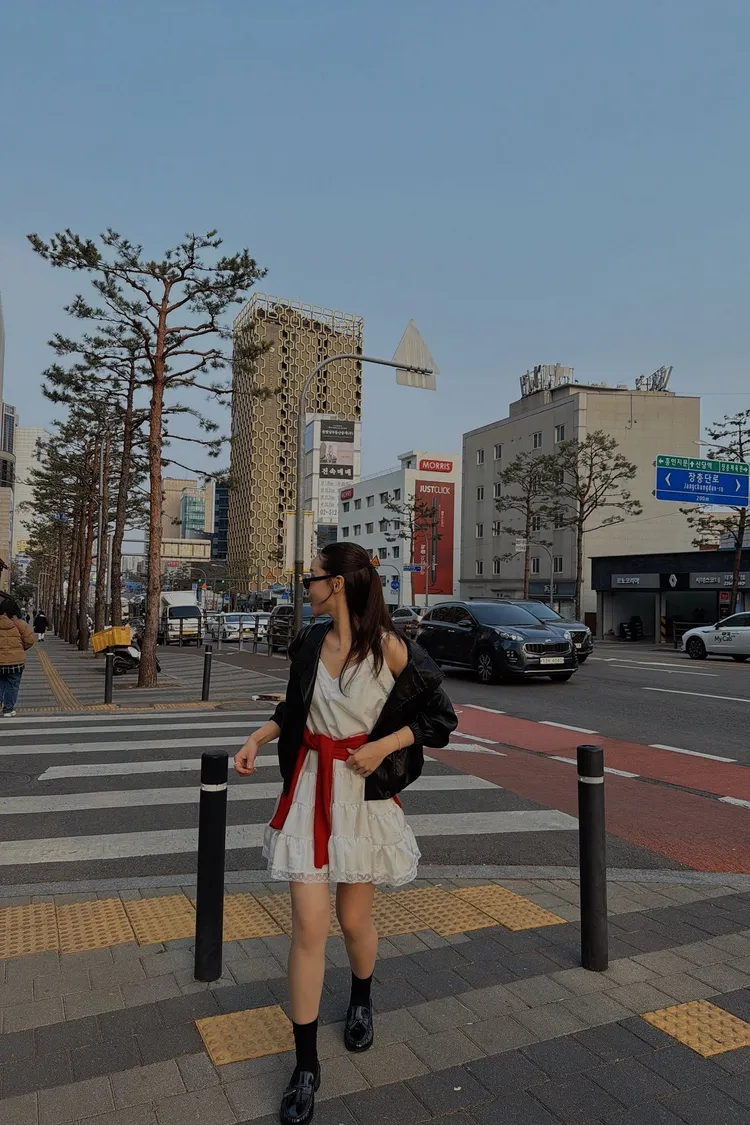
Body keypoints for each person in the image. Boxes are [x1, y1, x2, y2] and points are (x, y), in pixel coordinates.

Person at [234, 542, 457, 1125]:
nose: (305, 585)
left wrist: (384, 745)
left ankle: (361, 996)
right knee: (310, 927)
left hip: (361, 794)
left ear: (336, 584)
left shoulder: (389, 647)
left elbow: (439, 718)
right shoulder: (310, 642)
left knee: (354, 921)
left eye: (311, 577)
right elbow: (294, 708)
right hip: (310, 787)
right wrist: (257, 737)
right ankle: (305, 1065)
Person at [0, 596, 35, 717]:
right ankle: (8, 710)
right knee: (12, 685)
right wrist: (20, 649)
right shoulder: (19, 624)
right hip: (15, 662)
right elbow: (30, 640)